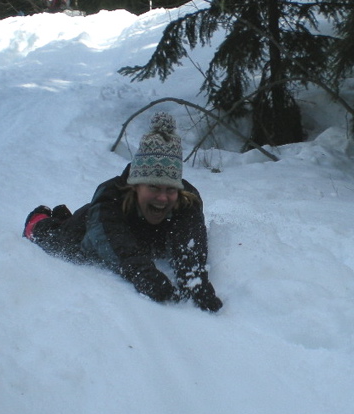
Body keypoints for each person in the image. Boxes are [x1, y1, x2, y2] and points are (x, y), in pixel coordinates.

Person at [23, 112, 223, 313]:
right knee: (60, 241)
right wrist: (143, 273)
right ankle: (38, 221)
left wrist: (194, 281)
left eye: (170, 189)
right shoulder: (110, 197)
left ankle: (62, 215)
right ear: (135, 186)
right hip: (91, 227)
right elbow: (114, 241)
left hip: (133, 235)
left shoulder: (187, 200)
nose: (163, 198)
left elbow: (189, 238)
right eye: (153, 187)